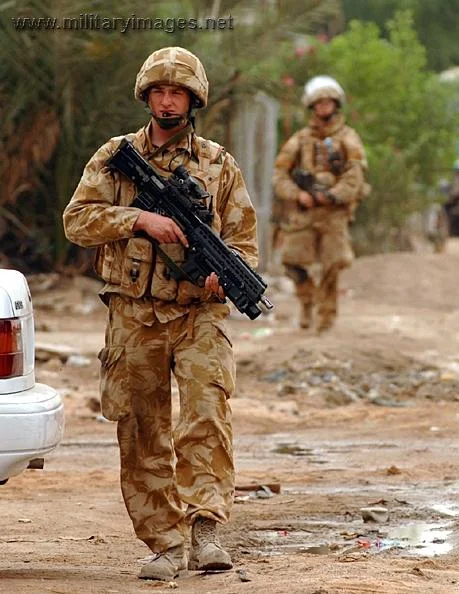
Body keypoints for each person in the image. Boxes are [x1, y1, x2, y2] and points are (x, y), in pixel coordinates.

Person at [62, 46, 258, 582]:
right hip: (134, 313)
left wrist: (224, 275)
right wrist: (139, 220)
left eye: (178, 93)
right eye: (160, 92)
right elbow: (77, 222)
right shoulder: (116, 156)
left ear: (193, 101)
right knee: (141, 428)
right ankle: (165, 542)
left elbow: (243, 242)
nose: (168, 102)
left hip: (199, 316)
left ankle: (205, 531)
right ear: (147, 96)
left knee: (206, 419)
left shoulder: (219, 165)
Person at [272, 75, 369, 333]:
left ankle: (326, 317)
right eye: (319, 103)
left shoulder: (348, 138)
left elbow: (354, 177)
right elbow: (279, 176)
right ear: (311, 107)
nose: (324, 107)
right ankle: (307, 303)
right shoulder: (300, 140)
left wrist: (332, 195)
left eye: (328, 102)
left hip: (334, 214)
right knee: (292, 261)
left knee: (332, 265)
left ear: (336, 104)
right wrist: (297, 194)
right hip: (305, 212)